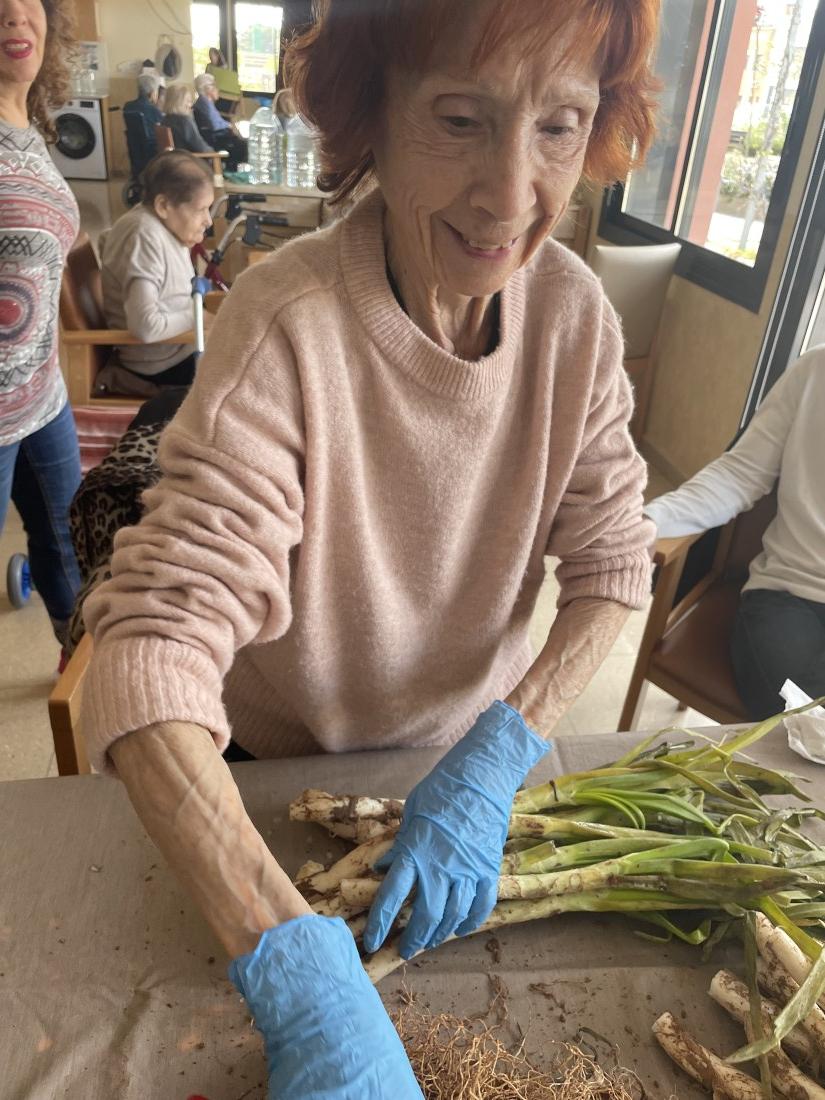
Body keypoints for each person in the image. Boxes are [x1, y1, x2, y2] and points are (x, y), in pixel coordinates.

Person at [81, 0, 660, 1094]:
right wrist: (294, 970)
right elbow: (150, 654)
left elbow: (613, 564)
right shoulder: (286, 323)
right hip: (277, 782)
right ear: (371, 115)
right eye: (460, 118)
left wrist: (499, 753)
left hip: (463, 775)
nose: (510, 196)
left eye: (559, 125)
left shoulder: (575, 320)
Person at [644, 348, 825, 721]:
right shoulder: (815, 369)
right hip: (789, 594)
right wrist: (650, 519)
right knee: (799, 717)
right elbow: (739, 475)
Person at [0, 0, 82, 652]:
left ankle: (79, 683)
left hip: (43, 396)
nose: (13, 13)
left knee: (69, 547)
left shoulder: (29, 127)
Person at [99, 151, 213, 388]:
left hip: (181, 348)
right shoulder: (143, 236)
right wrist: (199, 318)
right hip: (161, 365)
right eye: (200, 209)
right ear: (163, 205)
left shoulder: (166, 227)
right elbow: (145, 327)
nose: (208, 221)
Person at [193, 72, 248, 170]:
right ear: (208, 89)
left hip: (214, 137)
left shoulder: (205, 102)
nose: (218, 90)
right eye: (215, 87)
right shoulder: (205, 103)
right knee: (244, 145)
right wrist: (229, 125)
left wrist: (229, 125)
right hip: (215, 140)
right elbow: (215, 125)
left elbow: (216, 121)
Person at [122, 73, 165, 179]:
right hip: (151, 150)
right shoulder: (154, 110)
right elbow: (162, 127)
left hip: (135, 150)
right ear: (152, 92)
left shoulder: (127, 106)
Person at [161, 82, 213, 155]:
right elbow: (201, 148)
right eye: (188, 101)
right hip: (189, 160)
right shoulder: (185, 122)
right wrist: (215, 152)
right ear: (179, 102)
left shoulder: (164, 120)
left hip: (173, 160)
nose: (190, 105)